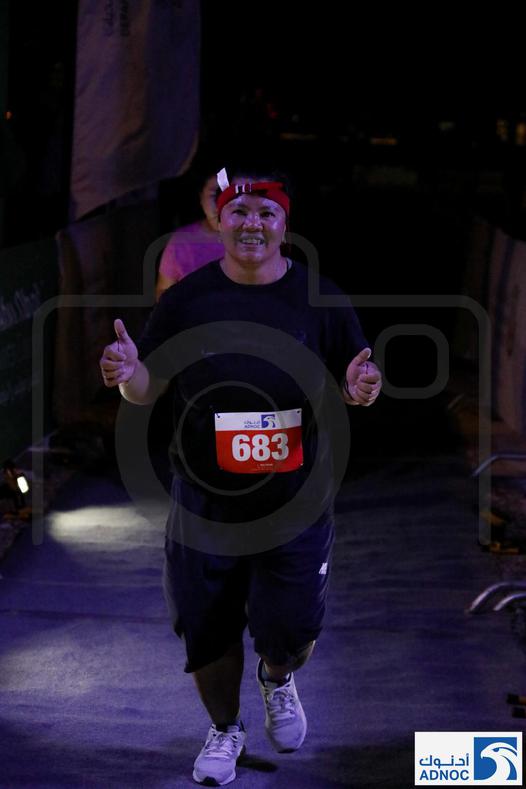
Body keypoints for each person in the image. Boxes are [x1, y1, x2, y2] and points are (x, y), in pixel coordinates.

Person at [99, 166, 382, 786]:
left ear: (285, 224)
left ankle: (277, 678)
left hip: (294, 500)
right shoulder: (188, 299)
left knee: (292, 629)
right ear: (219, 221)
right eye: (240, 212)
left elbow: (355, 378)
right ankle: (226, 728)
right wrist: (126, 373)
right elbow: (147, 387)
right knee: (205, 627)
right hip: (203, 501)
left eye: (266, 213)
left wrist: (361, 387)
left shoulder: (319, 297)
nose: (253, 223)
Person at [156, 173, 225, 300]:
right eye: (215, 194)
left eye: (229, 195)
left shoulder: (253, 239)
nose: (222, 204)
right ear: (201, 197)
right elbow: (162, 293)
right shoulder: (181, 241)